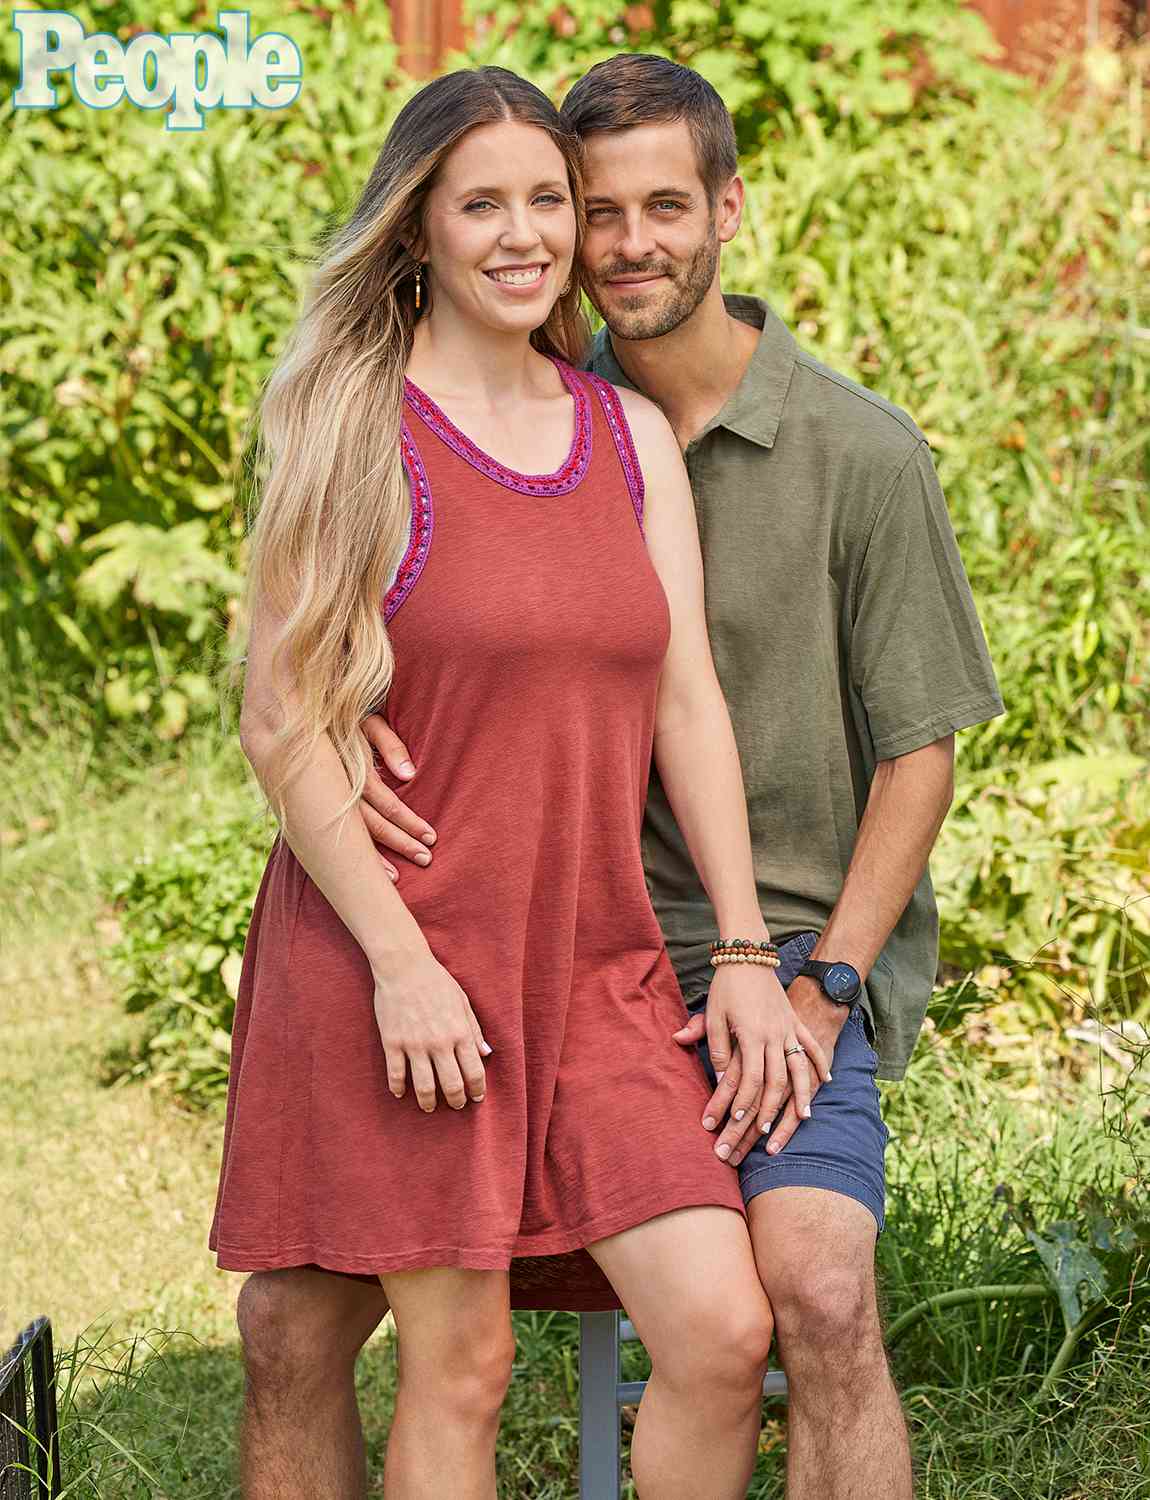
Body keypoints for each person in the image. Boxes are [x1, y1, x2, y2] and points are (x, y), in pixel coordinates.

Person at [318, 54, 1008, 1500]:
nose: (626, 245)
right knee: (290, 1317)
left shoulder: (858, 456)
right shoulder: (522, 413)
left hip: (791, 963)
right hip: (555, 952)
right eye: (598, 209)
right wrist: (338, 732)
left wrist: (818, 982)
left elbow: (920, 758)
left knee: (815, 1288)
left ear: (727, 210)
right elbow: (348, 635)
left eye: (663, 208)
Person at [210, 64, 834, 1500]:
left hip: (594, 964)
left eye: (544, 200)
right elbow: (281, 721)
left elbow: (686, 700)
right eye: (478, 202)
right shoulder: (351, 418)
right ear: (416, 225)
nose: (521, 234)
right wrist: (397, 964)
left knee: (721, 1328)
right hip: (411, 966)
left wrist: (739, 947)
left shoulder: (623, 436)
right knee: (464, 1365)